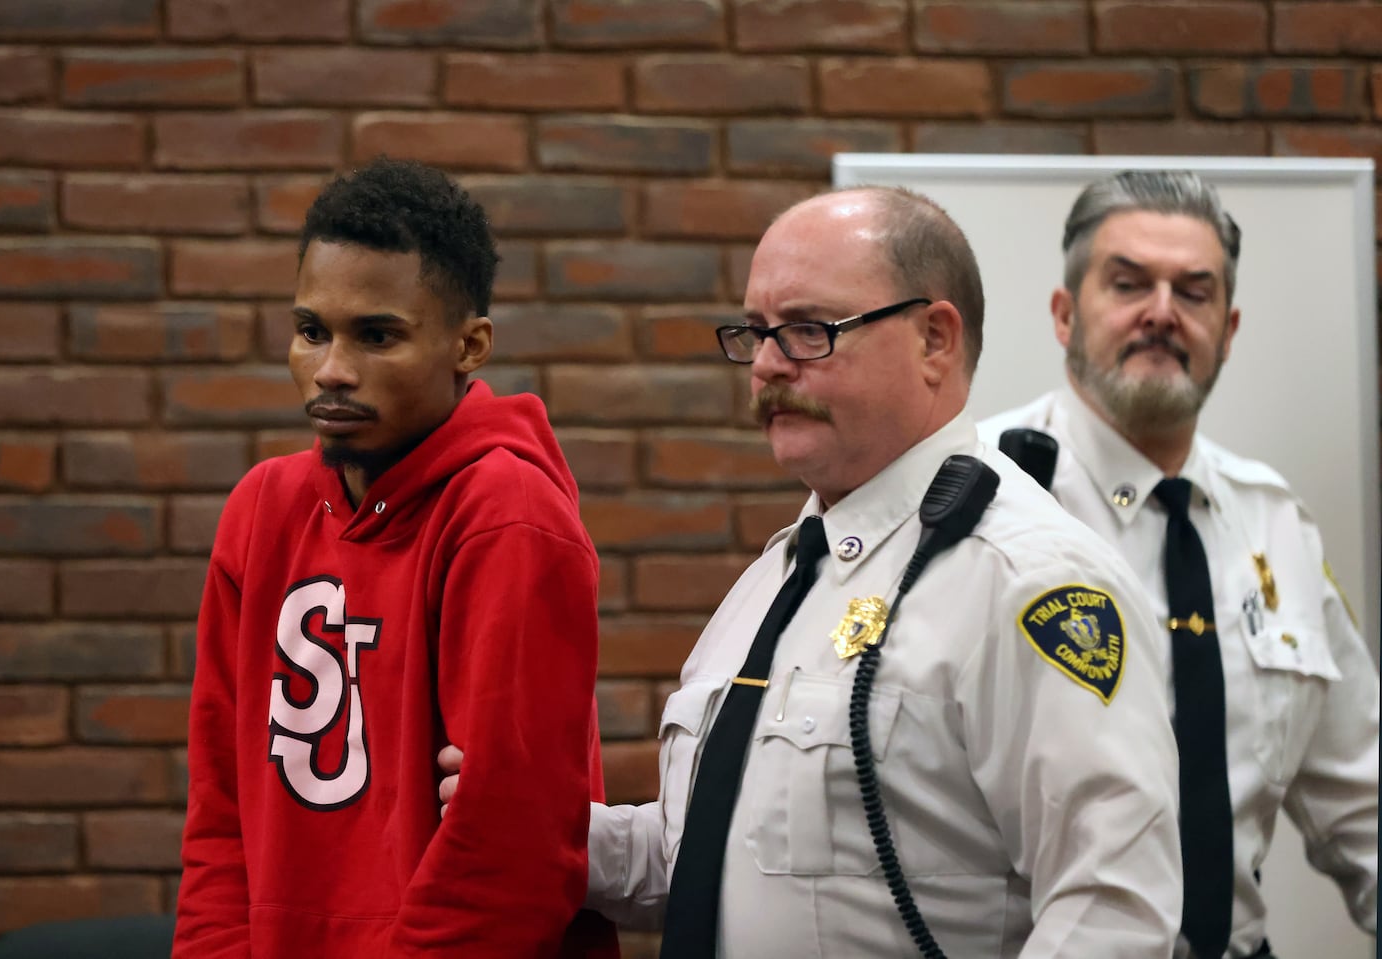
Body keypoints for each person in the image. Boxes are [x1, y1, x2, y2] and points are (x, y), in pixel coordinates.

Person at [446, 186, 1184, 955]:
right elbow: (707, 858)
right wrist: (536, 821)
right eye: (756, 333)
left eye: (807, 331)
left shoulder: (1027, 581)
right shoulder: (779, 578)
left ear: (935, 338)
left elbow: (1113, 907)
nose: (766, 365)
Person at [173, 157, 618, 959]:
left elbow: (507, 851)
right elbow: (219, 808)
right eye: (312, 331)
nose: (333, 370)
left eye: (377, 335)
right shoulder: (261, 508)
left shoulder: (506, 516)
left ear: (469, 345)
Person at [978, 169, 1379, 958]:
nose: (1161, 312)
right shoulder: (977, 497)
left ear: (1227, 331)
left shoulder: (1274, 524)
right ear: (1064, 315)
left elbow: (1363, 800)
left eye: (1193, 293)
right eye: (1128, 284)